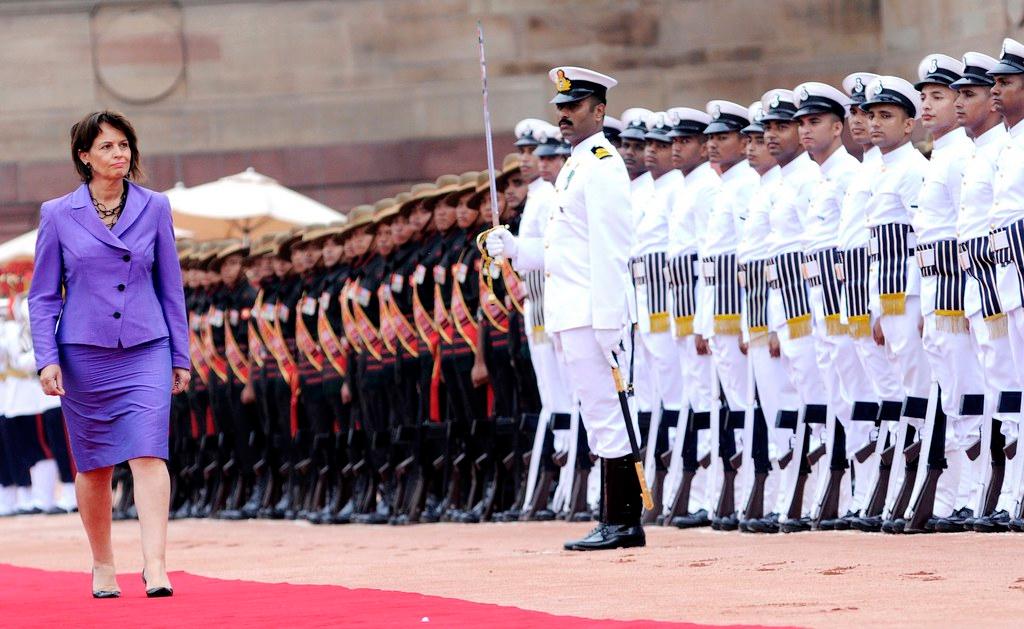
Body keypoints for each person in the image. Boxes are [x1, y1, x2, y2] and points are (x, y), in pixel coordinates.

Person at [28, 110, 189, 598]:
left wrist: (180, 355)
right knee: (95, 465)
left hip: (146, 347)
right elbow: (43, 296)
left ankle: (156, 565)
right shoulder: (58, 214)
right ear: (84, 156)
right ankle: (102, 562)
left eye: (124, 145)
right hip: (84, 354)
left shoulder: (155, 207)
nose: (118, 154)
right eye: (106, 147)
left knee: (149, 452)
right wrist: (47, 358)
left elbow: (170, 287)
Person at [487, 66, 640, 550]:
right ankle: (614, 518)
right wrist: (514, 248)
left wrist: (610, 321)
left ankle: (622, 520)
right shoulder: (576, 165)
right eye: (561, 108)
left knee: (608, 412)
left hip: (593, 314)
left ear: (599, 110)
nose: (565, 116)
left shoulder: (602, 165)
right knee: (596, 413)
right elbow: (561, 251)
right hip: (570, 312)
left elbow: (612, 250)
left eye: (574, 107)